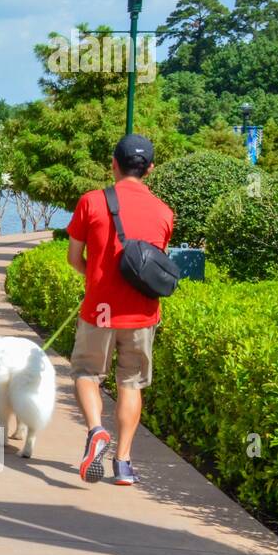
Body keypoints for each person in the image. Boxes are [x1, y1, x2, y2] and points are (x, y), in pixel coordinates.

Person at [65, 134, 174, 485]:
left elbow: (73, 258)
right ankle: (124, 464)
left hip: (99, 310)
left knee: (86, 372)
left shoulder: (91, 202)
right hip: (143, 313)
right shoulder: (163, 211)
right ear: (150, 170)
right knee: (131, 383)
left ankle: (96, 430)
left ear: (113, 163)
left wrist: (95, 280)